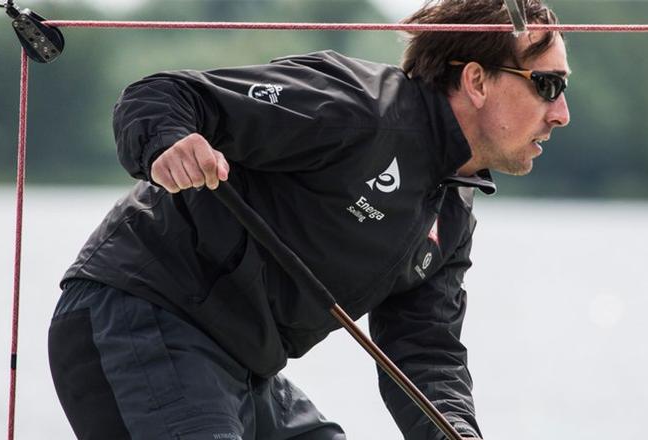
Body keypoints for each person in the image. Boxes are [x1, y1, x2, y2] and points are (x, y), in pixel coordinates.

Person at [48, 0, 570, 439]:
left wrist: (456, 432)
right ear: (476, 81)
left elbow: (426, 349)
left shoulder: (452, 210)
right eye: (546, 85)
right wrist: (167, 140)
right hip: (140, 319)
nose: (561, 112)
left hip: (245, 365)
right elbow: (162, 96)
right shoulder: (357, 107)